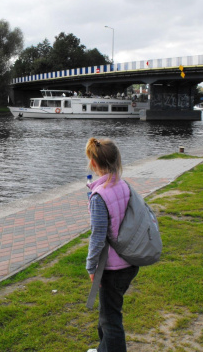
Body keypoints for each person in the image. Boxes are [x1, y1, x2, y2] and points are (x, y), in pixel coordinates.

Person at [85, 137, 139, 352]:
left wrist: (91, 267)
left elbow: (97, 236)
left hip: (113, 268)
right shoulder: (123, 185)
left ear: (94, 164)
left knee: (110, 320)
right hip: (130, 261)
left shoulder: (99, 196)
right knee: (108, 311)